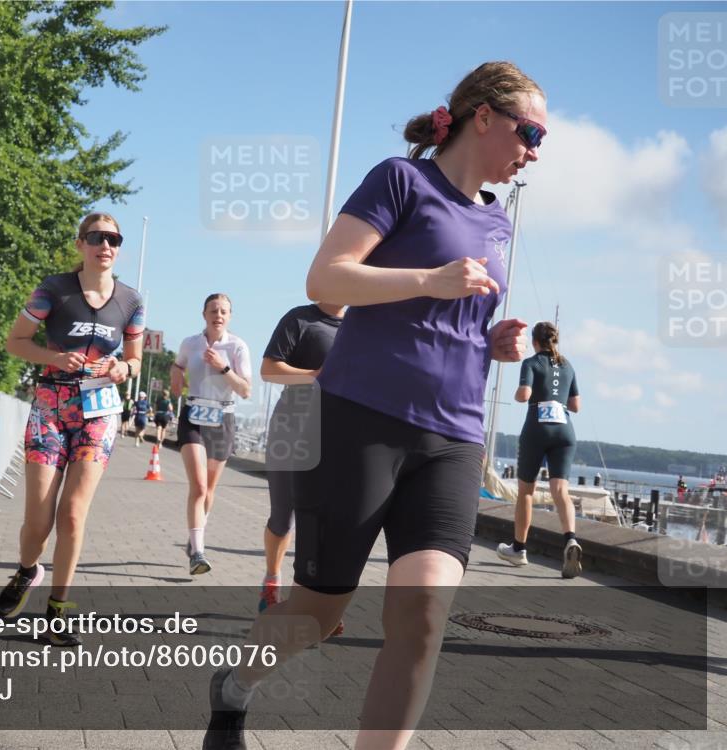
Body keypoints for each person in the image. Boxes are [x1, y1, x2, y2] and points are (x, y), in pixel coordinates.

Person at [202, 61, 539, 750]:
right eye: (529, 131)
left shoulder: (499, 222)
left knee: (422, 619)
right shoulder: (401, 180)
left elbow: (457, 318)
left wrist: (492, 339)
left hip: (453, 437)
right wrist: (431, 278)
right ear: (483, 117)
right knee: (320, 614)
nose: (534, 150)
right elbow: (326, 278)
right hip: (359, 418)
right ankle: (235, 688)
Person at [0, 212, 144, 646]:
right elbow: (15, 341)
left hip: (98, 413)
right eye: (96, 237)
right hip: (51, 408)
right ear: (80, 244)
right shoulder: (54, 290)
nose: (106, 245)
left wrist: (121, 367)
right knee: (37, 522)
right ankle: (27, 571)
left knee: (73, 513)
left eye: (114, 238)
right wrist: (55, 358)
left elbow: (134, 360)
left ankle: (58, 610)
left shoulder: (131, 300)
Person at [259, 302, 345, 629]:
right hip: (290, 428)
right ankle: (271, 581)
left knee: (322, 520)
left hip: (333, 434)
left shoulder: (358, 327)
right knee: (283, 517)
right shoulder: (300, 319)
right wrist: (315, 376)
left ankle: (314, 603)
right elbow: (268, 369)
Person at [171, 293, 252, 575]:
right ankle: (198, 553)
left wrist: (223, 367)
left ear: (230, 316)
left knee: (210, 491)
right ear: (204, 314)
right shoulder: (190, 343)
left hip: (222, 418)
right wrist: (176, 375)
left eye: (224, 311)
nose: (219, 315)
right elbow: (178, 363)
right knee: (199, 487)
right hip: (193, 416)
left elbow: (245, 389)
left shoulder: (237, 347)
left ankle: (194, 540)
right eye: (213, 310)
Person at [496, 322, 583, 578]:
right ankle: (570, 538)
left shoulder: (532, 363)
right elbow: (575, 405)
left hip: (537, 428)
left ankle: (519, 549)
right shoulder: (568, 365)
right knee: (560, 491)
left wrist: (520, 392)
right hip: (565, 430)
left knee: (526, 491)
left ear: (535, 341)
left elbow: (524, 395)